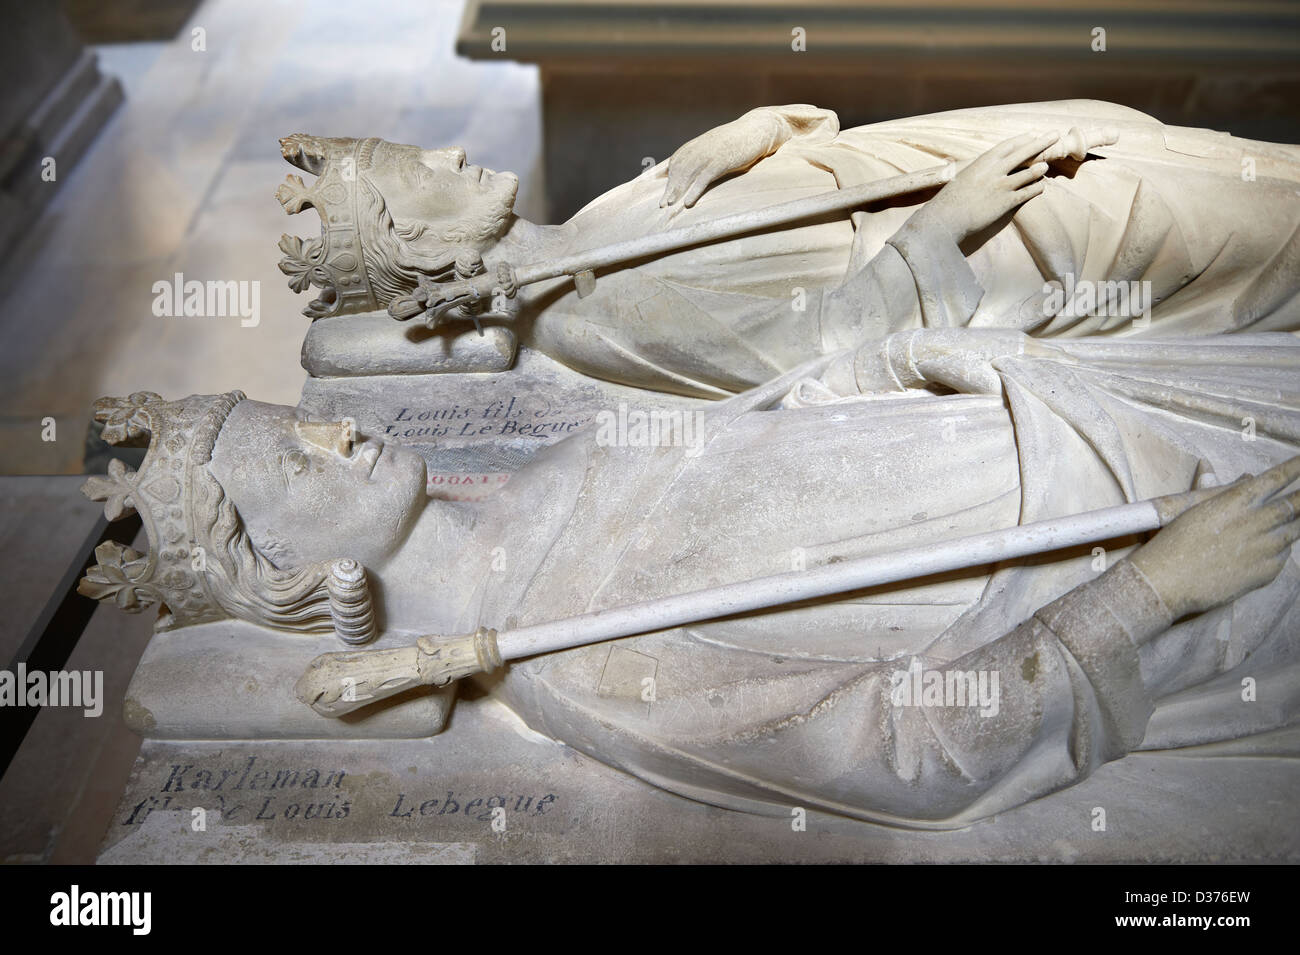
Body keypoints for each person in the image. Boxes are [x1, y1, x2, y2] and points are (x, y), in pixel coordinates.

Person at [78, 328, 1300, 827]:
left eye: (303, 416)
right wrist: (1157, 591)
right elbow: (907, 751)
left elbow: (766, 432)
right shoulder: (582, 664)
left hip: (1071, 421)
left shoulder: (537, 479)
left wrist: (895, 347)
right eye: (295, 458)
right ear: (289, 573)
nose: (335, 432)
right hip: (1142, 549)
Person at [277, 101, 1300, 396]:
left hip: (927, 168)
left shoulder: (590, 220)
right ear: (417, 240)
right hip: (997, 242)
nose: (450, 147)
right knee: (1235, 228)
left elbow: (789, 160)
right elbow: (798, 353)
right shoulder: (586, 316)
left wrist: (757, 127)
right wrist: (947, 223)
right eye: (423, 167)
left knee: (1199, 161)